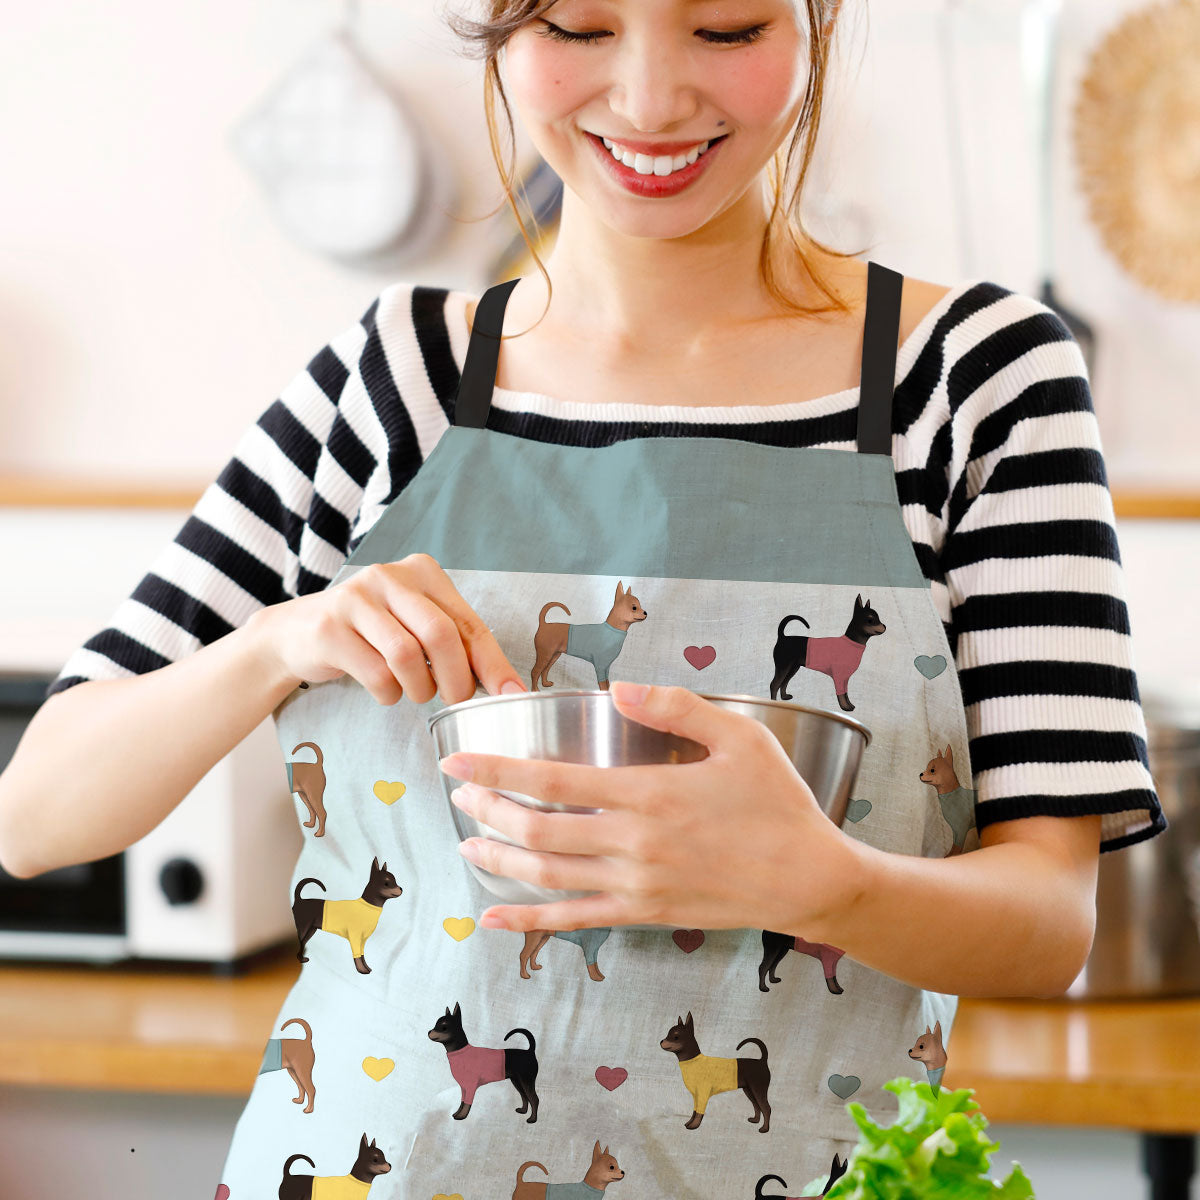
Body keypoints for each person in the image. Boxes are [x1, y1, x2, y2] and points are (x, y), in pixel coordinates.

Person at [0, 0, 1166, 1195]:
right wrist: (274, 640)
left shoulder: (976, 381)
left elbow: (1046, 924)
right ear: (499, 32)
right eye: (578, 25)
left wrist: (820, 881)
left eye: (726, 28)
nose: (653, 100)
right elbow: (35, 815)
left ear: (815, 22)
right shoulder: (394, 380)